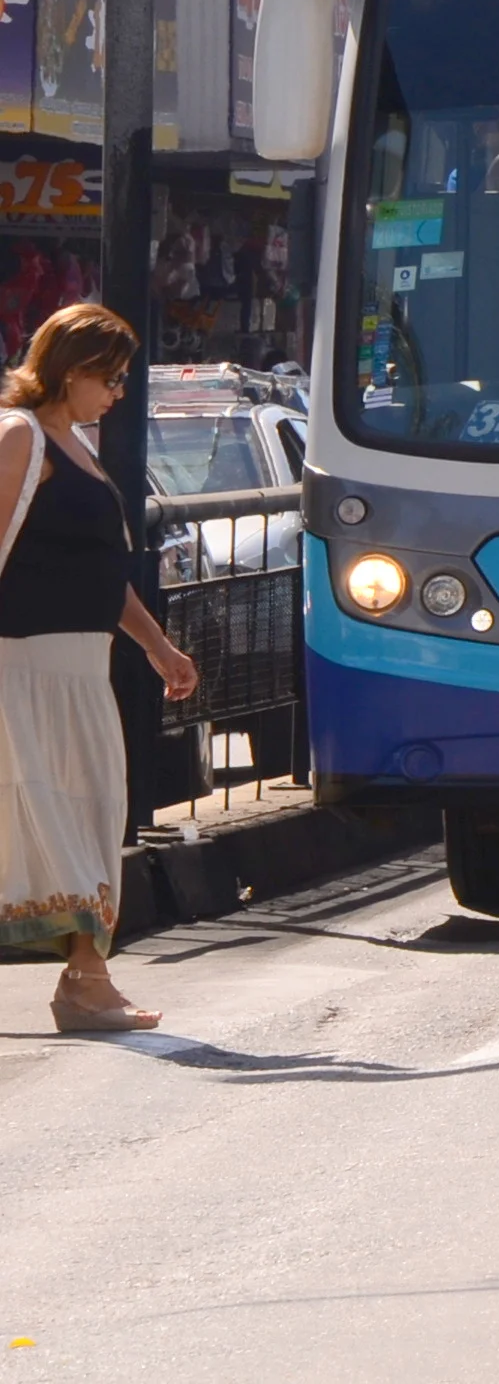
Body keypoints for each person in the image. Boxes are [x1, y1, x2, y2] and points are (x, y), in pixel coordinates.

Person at [0, 303, 198, 1033]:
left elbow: (101, 573)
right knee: (50, 816)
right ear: (72, 370)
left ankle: (85, 980)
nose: (117, 392)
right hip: (21, 665)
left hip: (79, 668)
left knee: (87, 813)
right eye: (109, 377)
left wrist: (158, 646)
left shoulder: (74, 446)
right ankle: (87, 983)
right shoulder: (20, 436)